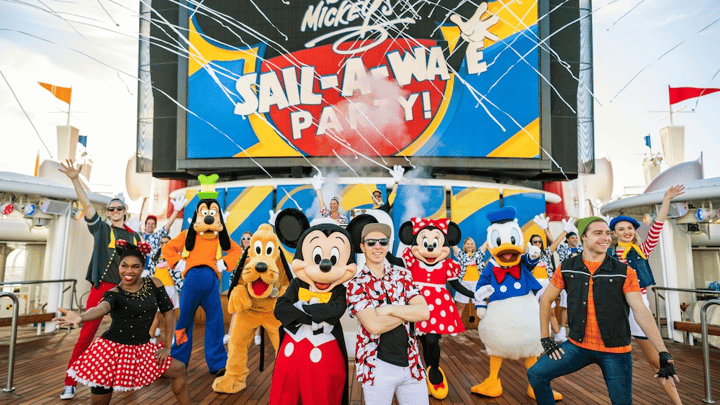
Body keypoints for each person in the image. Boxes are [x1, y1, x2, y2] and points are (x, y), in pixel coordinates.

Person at [527, 217, 680, 405]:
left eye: (607, 233)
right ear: (583, 237)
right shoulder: (567, 267)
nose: (606, 238)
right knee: (536, 374)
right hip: (578, 346)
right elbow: (546, 299)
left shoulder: (625, 271)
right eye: (598, 233)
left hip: (615, 351)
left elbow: (640, 310)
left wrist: (663, 351)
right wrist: (545, 338)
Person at [53, 242, 191, 405]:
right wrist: (81, 317)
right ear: (118, 267)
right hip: (110, 353)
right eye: (124, 266)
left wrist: (167, 347)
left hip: (142, 349)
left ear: (143, 267)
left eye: (135, 266)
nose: (128, 271)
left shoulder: (154, 283)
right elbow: (101, 308)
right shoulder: (114, 293)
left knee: (179, 369)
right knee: (99, 401)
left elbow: (168, 312)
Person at [58, 159, 143, 400]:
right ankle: (70, 383)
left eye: (118, 208)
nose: (115, 212)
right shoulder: (102, 229)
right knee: (86, 335)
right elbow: (86, 204)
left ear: (125, 211)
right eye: (111, 209)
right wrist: (75, 179)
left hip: (125, 291)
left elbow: (138, 267)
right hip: (102, 288)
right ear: (108, 213)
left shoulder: (135, 237)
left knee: (130, 336)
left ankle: (127, 378)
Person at [608, 184, 685, 405]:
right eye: (621, 229)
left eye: (630, 228)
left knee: (657, 362)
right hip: (615, 308)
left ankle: (678, 403)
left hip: (639, 308)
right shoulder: (608, 255)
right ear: (614, 233)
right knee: (612, 361)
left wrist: (666, 199)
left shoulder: (642, 250)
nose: (627, 231)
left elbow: (657, 226)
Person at [346, 223, 430, 405]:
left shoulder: (403, 276)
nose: (377, 246)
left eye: (382, 242)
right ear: (362, 247)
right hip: (377, 365)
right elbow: (374, 326)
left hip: (411, 361)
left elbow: (424, 312)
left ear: (388, 245)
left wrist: (390, 309)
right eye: (371, 242)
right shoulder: (356, 284)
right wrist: (407, 312)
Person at [141, 195, 186, 277]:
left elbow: (168, 224)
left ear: (155, 226)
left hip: (152, 270)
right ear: (145, 225)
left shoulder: (157, 235)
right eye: (148, 223)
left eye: (153, 224)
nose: (150, 225)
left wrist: (176, 210)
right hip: (139, 268)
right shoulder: (138, 235)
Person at [149, 235, 180, 338]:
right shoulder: (155, 256)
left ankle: (172, 339)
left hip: (170, 288)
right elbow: (151, 273)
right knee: (155, 314)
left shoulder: (175, 256)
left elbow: (178, 274)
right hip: (157, 288)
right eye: (162, 242)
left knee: (170, 315)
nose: (164, 244)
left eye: (167, 242)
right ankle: (151, 340)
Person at [451, 238, 487, 318]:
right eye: (467, 244)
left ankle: (483, 325)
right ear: (464, 245)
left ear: (474, 245)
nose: (469, 246)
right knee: (460, 306)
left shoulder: (479, 253)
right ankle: (457, 325)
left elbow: (487, 242)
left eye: (471, 244)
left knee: (480, 307)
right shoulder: (461, 254)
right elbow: (453, 245)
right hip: (464, 283)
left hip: (477, 283)